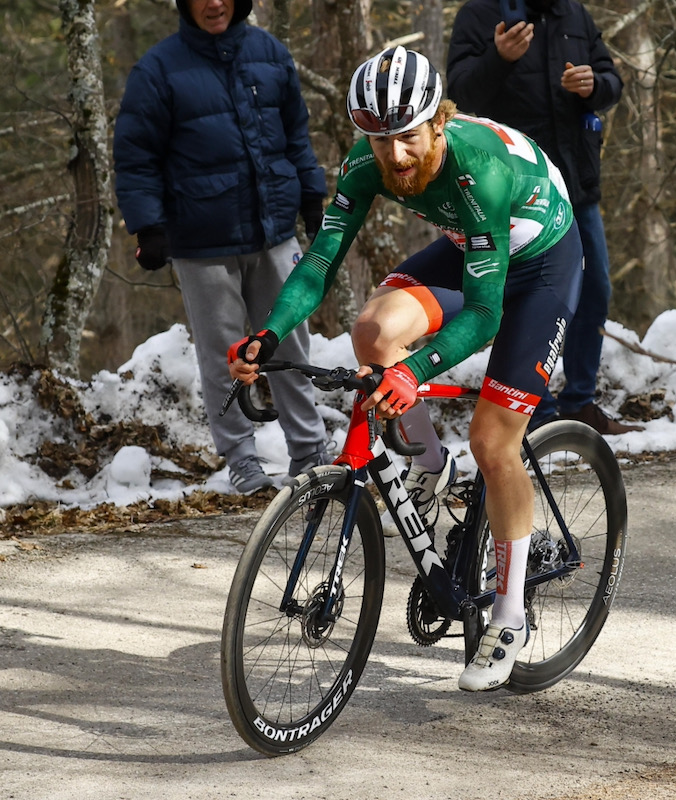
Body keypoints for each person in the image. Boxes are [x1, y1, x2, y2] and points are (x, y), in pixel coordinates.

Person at [228, 47, 582, 691]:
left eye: (408, 137)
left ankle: (509, 613)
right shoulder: (368, 163)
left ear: (439, 122)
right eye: (380, 139)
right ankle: (430, 468)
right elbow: (319, 264)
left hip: (541, 262)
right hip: (470, 247)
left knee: (494, 440)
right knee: (372, 333)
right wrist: (268, 331)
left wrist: (413, 372)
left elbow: (482, 315)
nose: (395, 157)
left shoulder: (479, 170)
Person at [113, 0, 328, 494]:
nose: (214, 3)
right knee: (223, 354)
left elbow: (297, 136)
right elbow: (136, 155)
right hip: (201, 239)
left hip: (275, 230)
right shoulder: (158, 69)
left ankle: (309, 452)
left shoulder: (270, 54)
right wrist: (149, 228)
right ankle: (243, 462)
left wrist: (313, 199)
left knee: (290, 341)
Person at [447, 0, 640, 434]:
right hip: (514, 191)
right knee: (522, 296)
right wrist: (499, 60)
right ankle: (536, 408)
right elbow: (459, 97)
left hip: (575, 184)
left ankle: (581, 403)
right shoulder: (479, 14)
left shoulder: (575, 14)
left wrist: (595, 85)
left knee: (594, 289)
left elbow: (612, 81)